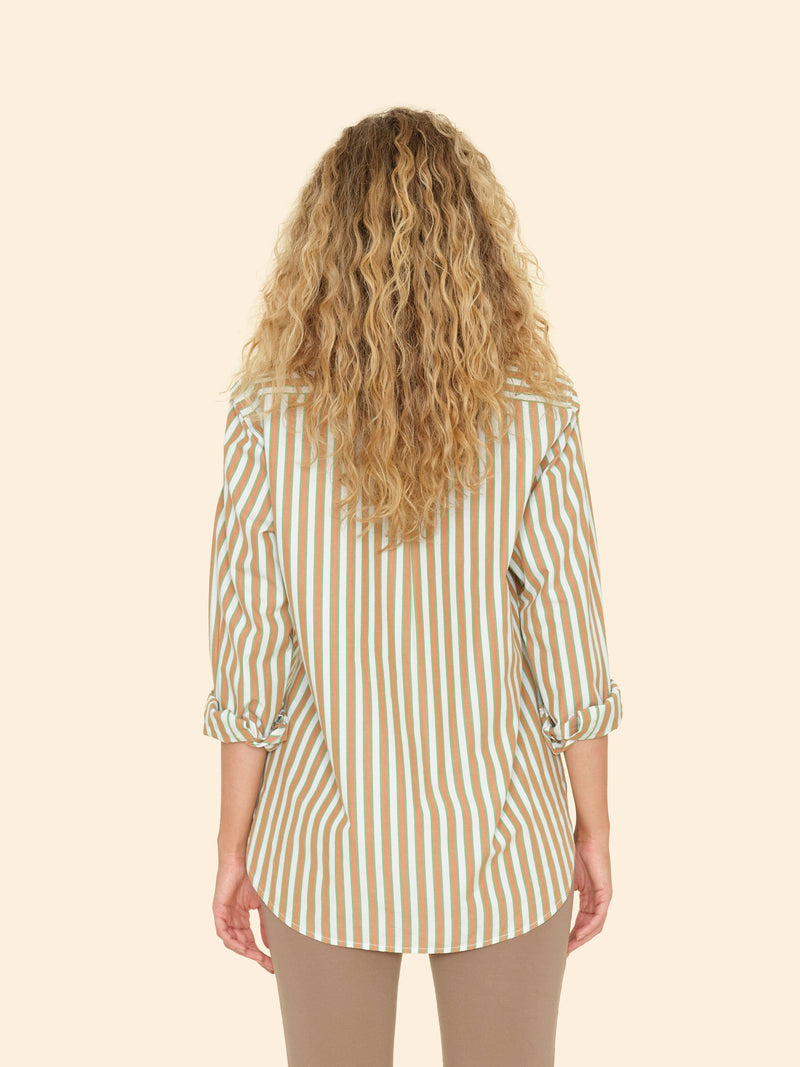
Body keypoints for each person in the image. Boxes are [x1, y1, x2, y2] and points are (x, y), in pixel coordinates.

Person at [202, 106, 623, 1066]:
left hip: (323, 839)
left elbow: (249, 648)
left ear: (321, 252)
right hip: (505, 835)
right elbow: (570, 639)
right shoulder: (535, 417)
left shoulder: (267, 422)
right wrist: (594, 827)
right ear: (479, 251)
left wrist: (233, 844)